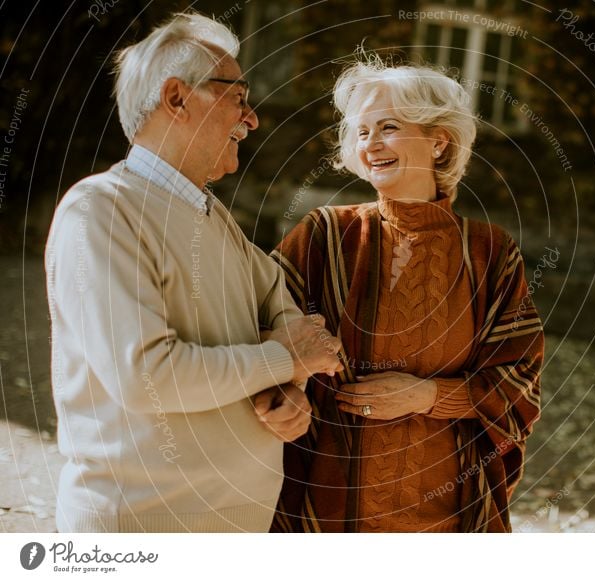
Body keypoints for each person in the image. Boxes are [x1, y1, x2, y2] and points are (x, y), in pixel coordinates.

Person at [44, 12, 341, 533]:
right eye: (238, 97)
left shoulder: (208, 212)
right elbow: (146, 377)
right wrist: (284, 358)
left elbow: (276, 298)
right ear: (177, 98)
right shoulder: (100, 211)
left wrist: (290, 381)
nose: (251, 120)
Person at [261, 55, 544, 532]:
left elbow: (520, 381)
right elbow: (253, 323)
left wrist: (428, 395)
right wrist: (282, 387)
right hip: (327, 510)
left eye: (388, 126)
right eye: (363, 132)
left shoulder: (490, 252)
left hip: (447, 516)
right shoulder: (325, 235)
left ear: (439, 141)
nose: (371, 143)